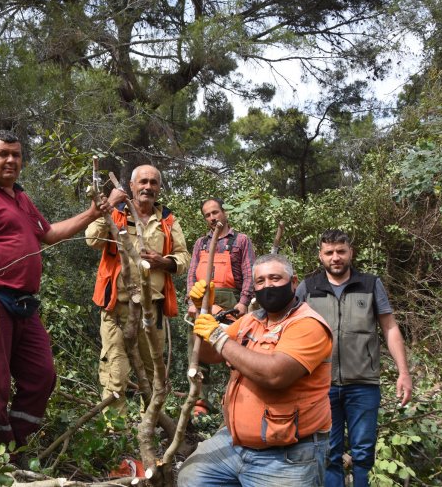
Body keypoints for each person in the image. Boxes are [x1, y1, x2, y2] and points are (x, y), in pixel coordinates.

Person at [0, 130, 122, 449]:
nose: (11, 160)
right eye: (3, 154)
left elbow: (51, 234)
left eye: (16, 154)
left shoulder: (20, 197)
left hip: (24, 306)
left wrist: (94, 213)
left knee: (42, 376)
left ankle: (16, 445)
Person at [178, 253, 333, 487]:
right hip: (235, 443)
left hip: (287, 455)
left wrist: (218, 336)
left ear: (293, 282)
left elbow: (275, 374)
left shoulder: (308, 324)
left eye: (275, 278)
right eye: (260, 281)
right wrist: (203, 312)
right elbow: (210, 354)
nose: (267, 286)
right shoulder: (251, 320)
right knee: (192, 476)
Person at [296, 229, 413, 487]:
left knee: (363, 454)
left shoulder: (370, 284)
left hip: (363, 385)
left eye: (341, 251)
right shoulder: (308, 288)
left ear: (351, 253)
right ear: (320, 255)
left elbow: (390, 328)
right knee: (329, 454)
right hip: (320, 386)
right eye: (329, 252)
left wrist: (404, 373)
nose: (335, 257)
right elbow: (289, 329)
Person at [85, 165, 190, 413]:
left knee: (154, 371)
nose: (148, 187)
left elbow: (183, 256)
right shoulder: (116, 212)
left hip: (151, 309)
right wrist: (107, 207)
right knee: (116, 371)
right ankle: (116, 434)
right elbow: (92, 240)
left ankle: (151, 425)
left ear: (159, 188)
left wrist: (163, 261)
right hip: (116, 308)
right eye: (143, 182)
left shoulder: (167, 219)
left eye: (154, 182)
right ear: (131, 186)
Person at [185, 198, 255, 415]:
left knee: (233, 350)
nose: (212, 218)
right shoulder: (200, 243)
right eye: (207, 215)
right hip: (203, 300)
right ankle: (199, 401)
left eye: (215, 212)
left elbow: (250, 274)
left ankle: (235, 400)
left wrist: (243, 303)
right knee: (196, 349)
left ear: (224, 213)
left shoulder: (241, 241)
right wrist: (191, 302)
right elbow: (191, 274)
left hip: (231, 302)